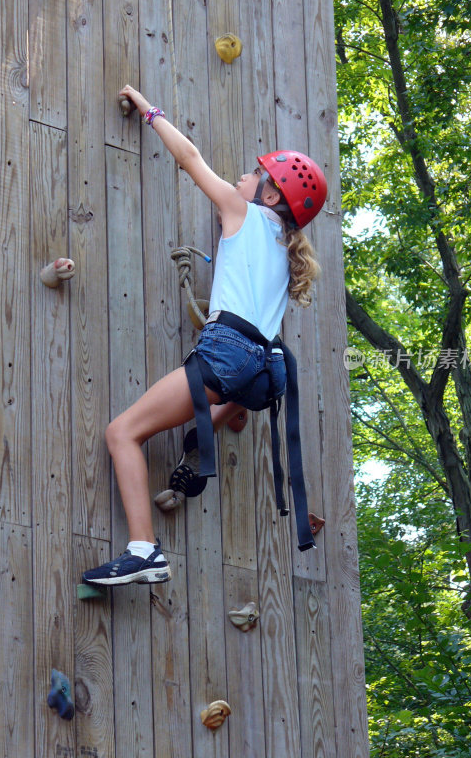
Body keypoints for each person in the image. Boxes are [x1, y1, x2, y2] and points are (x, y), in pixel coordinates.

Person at [82, 85, 326, 588]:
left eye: (253, 175)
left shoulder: (242, 214)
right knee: (228, 392)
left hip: (229, 354)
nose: (241, 176)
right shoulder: (285, 248)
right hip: (268, 371)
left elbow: (189, 158)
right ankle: (206, 430)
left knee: (121, 433)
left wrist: (149, 110)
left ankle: (145, 552)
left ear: (271, 195)